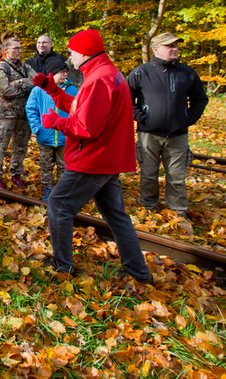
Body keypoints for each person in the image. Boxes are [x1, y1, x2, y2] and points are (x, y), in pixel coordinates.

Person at [33, 28, 152, 283]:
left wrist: (54, 121)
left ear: (85, 53)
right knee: (116, 217)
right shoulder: (106, 74)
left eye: (72, 52)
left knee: (58, 206)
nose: (69, 57)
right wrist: (53, 91)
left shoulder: (99, 79)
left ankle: (62, 265)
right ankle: (138, 272)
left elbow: (86, 127)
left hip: (93, 159)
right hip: (107, 158)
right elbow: (80, 109)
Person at [127, 32, 209, 220]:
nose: (174, 49)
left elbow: (200, 99)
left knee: (177, 176)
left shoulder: (186, 72)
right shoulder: (141, 72)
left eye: (176, 46)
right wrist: (141, 117)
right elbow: (125, 99)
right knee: (148, 174)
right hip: (149, 134)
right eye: (169, 46)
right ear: (156, 49)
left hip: (178, 135)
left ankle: (178, 210)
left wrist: (188, 118)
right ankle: (148, 207)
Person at [25, 58, 77, 200]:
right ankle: (47, 188)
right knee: (46, 164)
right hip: (45, 135)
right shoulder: (39, 90)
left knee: (63, 165)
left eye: (66, 72)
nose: (65, 74)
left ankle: (62, 191)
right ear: (52, 74)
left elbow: (77, 110)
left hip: (65, 137)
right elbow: (31, 108)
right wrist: (37, 128)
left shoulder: (72, 90)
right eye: (61, 72)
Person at [0, 34, 36, 189]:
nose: (19, 51)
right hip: (5, 115)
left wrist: (20, 84)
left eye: (20, 48)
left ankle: (16, 173)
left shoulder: (26, 67)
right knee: (0, 147)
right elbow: (6, 90)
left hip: (23, 115)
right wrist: (24, 84)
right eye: (16, 48)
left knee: (21, 146)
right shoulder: (1, 67)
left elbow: (37, 83)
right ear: (6, 50)